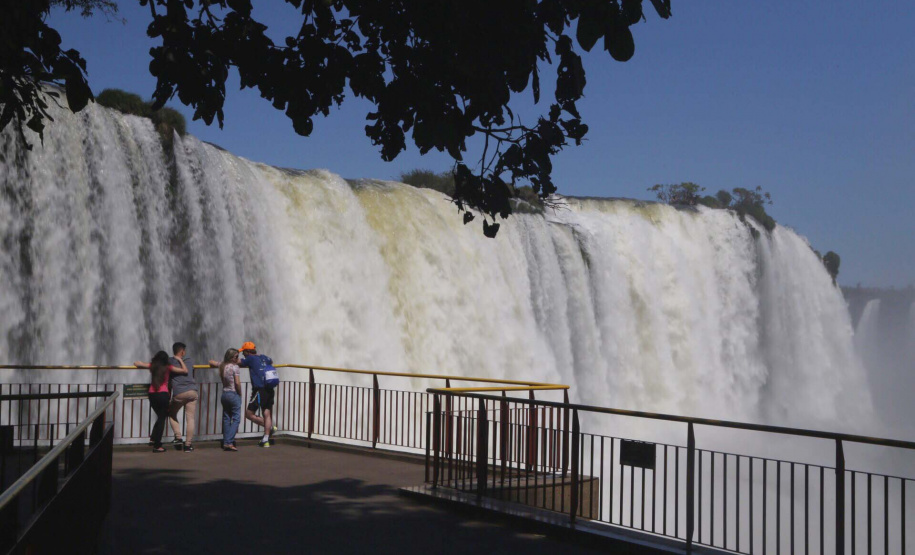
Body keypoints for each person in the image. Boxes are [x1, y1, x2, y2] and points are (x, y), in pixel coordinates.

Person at [134, 351, 188, 453]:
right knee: (162, 418)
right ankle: (157, 445)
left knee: (160, 416)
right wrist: (180, 359)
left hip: (152, 394)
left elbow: (137, 364)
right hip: (163, 395)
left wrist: (140, 363)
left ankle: (153, 438)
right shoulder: (168, 367)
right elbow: (184, 371)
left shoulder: (152, 366)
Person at [239, 341, 277, 447]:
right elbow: (271, 360)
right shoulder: (264, 357)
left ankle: (268, 429)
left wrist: (222, 363)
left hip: (260, 390)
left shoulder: (250, 359)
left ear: (247, 351)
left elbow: (238, 362)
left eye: (243, 352)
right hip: (269, 388)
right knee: (266, 413)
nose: (243, 354)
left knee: (249, 414)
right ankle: (266, 440)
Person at [167, 342, 199, 452]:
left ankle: (178, 437)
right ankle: (188, 445)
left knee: (171, 413)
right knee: (190, 418)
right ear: (182, 352)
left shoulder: (169, 361)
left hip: (179, 393)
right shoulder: (189, 361)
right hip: (192, 392)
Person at [210, 348, 243, 451]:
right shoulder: (235, 367)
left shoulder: (222, 365)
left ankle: (226, 442)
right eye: (236, 357)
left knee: (226, 418)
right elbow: (237, 383)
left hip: (224, 395)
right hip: (233, 394)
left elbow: (210, 361)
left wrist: (216, 363)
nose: (238, 358)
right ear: (231, 358)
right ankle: (229, 442)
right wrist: (240, 393)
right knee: (236, 419)